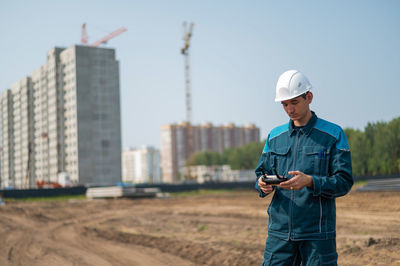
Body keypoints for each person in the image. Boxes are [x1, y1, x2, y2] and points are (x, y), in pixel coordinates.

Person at [255, 70, 353, 265]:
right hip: (280, 235)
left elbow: (344, 182)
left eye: (294, 102)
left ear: (309, 97)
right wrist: (261, 184)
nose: (290, 109)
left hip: (317, 236)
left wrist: (310, 181)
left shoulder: (333, 135)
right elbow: (261, 174)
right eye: (284, 104)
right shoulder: (274, 137)